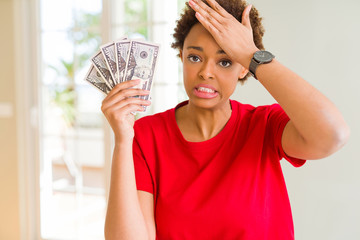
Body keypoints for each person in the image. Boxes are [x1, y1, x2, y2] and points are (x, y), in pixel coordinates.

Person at [101, 0, 350, 239]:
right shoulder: (145, 135)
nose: (206, 72)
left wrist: (252, 54)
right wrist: (123, 139)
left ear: (243, 68)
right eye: (194, 57)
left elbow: (333, 134)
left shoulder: (264, 125)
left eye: (225, 61)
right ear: (181, 56)